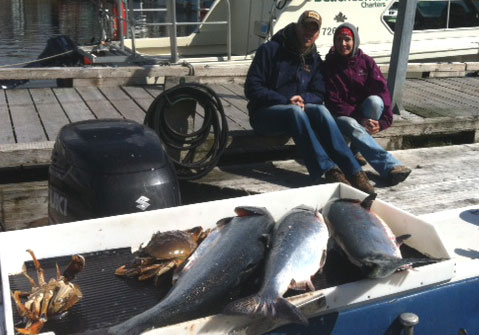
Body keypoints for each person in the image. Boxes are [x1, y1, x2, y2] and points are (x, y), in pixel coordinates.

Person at [244, 10, 374, 194]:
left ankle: (354, 171)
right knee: (294, 112)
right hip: (264, 115)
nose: (308, 32)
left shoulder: (314, 59)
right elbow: (252, 88)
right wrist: (285, 100)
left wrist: (303, 99)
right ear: (297, 27)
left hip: (297, 114)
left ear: (318, 34)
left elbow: (319, 93)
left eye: (313, 29)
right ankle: (328, 170)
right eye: (305, 27)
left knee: (320, 111)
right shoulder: (270, 50)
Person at [324, 22, 411, 186]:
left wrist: (384, 122)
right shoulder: (329, 64)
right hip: (340, 116)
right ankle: (390, 166)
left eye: (347, 39)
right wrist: (358, 117)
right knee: (350, 122)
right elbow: (332, 101)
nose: (343, 44)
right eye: (339, 39)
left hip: (361, 114)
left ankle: (355, 151)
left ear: (355, 40)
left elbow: (382, 91)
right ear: (334, 42)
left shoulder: (366, 62)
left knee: (375, 102)